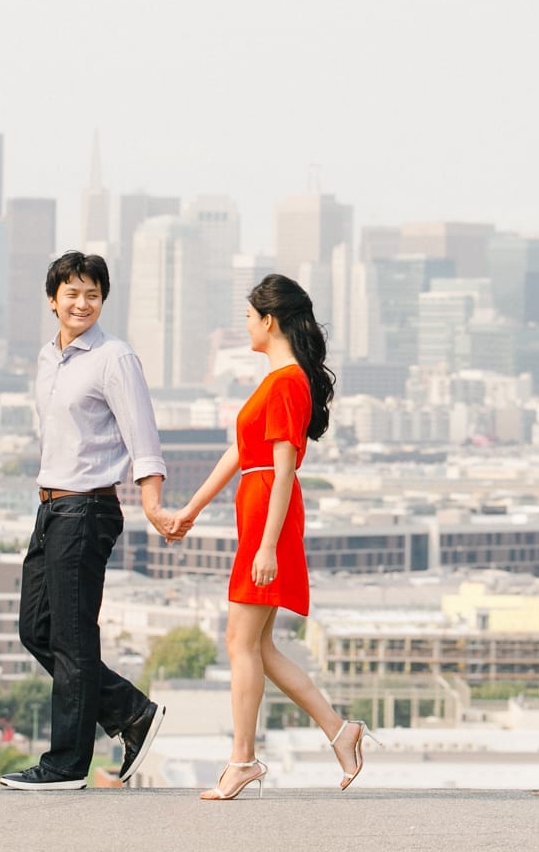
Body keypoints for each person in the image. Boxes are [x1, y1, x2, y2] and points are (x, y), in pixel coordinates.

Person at [169, 273, 373, 800]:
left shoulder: (285, 383)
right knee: (258, 645)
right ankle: (339, 731)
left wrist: (265, 546)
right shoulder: (278, 379)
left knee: (241, 643)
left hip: (268, 516)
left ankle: (241, 761)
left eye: (248, 317)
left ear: (269, 320)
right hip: (258, 509)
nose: (244, 326)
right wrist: (191, 509)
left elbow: (283, 470)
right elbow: (241, 454)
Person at [0, 251, 173, 791]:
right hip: (50, 505)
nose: (82, 303)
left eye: (92, 294)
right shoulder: (48, 358)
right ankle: (131, 713)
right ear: (52, 300)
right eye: (72, 293)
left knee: (74, 641)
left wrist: (152, 501)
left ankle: (65, 766)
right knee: (38, 630)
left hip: (87, 507)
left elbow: (143, 436)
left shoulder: (114, 358)